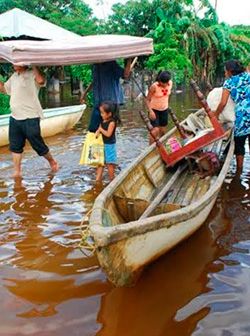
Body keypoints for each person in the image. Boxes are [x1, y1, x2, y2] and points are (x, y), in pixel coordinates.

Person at [0, 65, 58, 178]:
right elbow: (4, 90)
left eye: (16, 62)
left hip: (31, 116)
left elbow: (41, 81)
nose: (13, 64)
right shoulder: (14, 76)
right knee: (15, 146)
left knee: (37, 144)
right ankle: (17, 171)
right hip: (15, 117)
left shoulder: (33, 74)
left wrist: (33, 64)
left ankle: (52, 161)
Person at [214, 60, 250, 173]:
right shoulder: (248, 76)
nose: (225, 73)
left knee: (240, 145)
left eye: (225, 71)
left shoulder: (229, 83)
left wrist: (215, 114)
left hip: (241, 117)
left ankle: (239, 171)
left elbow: (223, 103)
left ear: (230, 71)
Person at [80, 59, 132, 132]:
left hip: (110, 104)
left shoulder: (111, 64)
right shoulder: (95, 66)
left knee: (108, 131)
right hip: (98, 102)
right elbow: (94, 81)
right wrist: (84, 93)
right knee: (93, 129)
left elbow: (125, 74)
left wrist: (129, 60)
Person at [95, 101, 120, 182]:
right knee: (100, 162)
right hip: (103, 145)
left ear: (109, 114)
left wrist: (100, 130)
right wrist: (96, 134)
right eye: (101, 113)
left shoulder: (112, 123)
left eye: (102, 113)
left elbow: (108, 134)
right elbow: (98, 131)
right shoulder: (103, 121)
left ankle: (112, 179)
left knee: (109, 164)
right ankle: (97, 180)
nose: (101, 115)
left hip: (109, 145)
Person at [146, 70, 173, 143]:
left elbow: (169, 95)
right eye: (162, 82)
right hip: (154, 110)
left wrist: (167, 105)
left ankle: (162, 146)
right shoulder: (154, 86)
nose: (164, 84)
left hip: (164, 109)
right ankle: (150, 147)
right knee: (155, 130)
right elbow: (147, 100)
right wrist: (150, 111)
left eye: (165, 83)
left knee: (163, 130)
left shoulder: (170, 83)